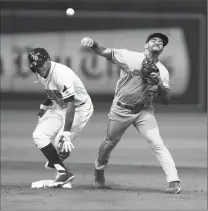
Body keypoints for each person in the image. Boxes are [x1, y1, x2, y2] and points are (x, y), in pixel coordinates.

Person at [81, 33, 181, 194]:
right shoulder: (129, 57)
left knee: (157, 142)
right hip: (121, 109)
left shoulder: (162, 71)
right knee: (109, 143)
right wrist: (92, 43)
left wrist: (159, 83)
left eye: (161, 42)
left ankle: (174, 181)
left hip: (144, 111)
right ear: (145, 45)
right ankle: (99, 171)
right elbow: (104, 51)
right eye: (154, 40)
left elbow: (167, 99)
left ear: (162, 49)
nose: (158, 42)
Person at [28, 47, 93, 187]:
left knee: (60, 144)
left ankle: (57, 164)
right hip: (58, 106)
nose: (39, 68)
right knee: (39, 135)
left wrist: (66, 132)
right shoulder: (41, 74)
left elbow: (71, 104)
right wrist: (44, 107)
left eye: (41, 64)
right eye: (36, 66)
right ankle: (63, 172)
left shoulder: (61, 74)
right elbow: (53, 91)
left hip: (79, 107)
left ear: (48, 60)